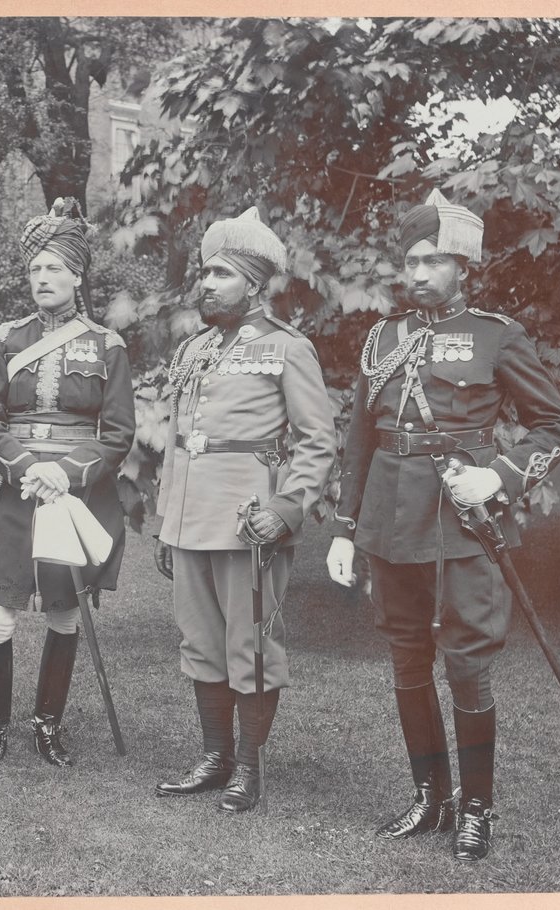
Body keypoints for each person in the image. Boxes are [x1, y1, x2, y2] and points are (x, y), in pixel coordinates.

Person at [326, 189, 560, 861]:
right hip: (390, 520)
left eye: (433, 260)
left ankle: (476, 808)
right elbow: (360, 441)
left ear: (463, 266)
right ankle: (430, 797)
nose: (418, 272)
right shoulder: (383, 338)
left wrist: (500, 477)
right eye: (410, 260)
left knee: (466, 662)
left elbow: (555, 426)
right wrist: (345, 527)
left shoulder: (497, 335)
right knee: (407, 656)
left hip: (462, 520)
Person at [152, 206, 336, 813]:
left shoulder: (287, 348)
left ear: (254, 285)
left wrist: (287, 508)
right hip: (190, 518)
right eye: (205, 273)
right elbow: (180, 439)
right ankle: (215, 757)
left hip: (248, 521)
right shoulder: (195, 348)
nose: (206, 284)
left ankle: (249, 767)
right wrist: (167, 521)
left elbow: (317, 439)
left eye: (222, 275)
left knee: (251, 647)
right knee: (200, 642)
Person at [0, 198, 135, 773]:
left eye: (54, 267)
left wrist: (67, 471)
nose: (42, 277)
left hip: (78, 494)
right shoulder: (5, 339)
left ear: (77, 275)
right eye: (35, 268)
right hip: (20, 489)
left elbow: (118, 432)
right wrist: (25, 467)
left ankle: (47, 725)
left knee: (64, 612)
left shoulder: (107, 345)